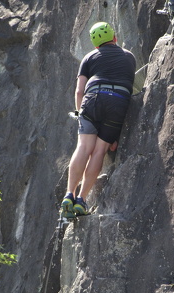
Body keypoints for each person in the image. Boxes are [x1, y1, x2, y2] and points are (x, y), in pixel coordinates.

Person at [61, 22, 136, 218]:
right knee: (100, 150)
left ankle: (70, 193)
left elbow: (79, 91)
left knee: (84, 147)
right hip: (118, 103)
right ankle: (82, 199)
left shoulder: (89, 57)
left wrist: (80, 113)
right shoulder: (129, 56)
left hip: (93, 98)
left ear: (96, 45)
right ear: (115, 38)